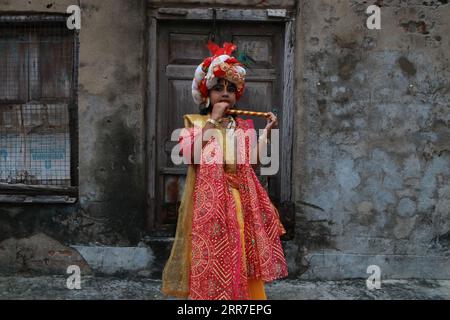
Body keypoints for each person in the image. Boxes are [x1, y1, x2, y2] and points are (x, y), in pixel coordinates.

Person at [161, 41, 288, 300]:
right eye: (218, 88)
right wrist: (212, 121)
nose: (225, 93)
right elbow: (191, 155)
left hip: (240, 202)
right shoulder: (194, 124)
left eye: (231, 89)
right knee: (213, 256)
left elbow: (251, 162)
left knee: (239, 252)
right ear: (207, 95)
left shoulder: (243, 125)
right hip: (210, 207)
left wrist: (266, 133)